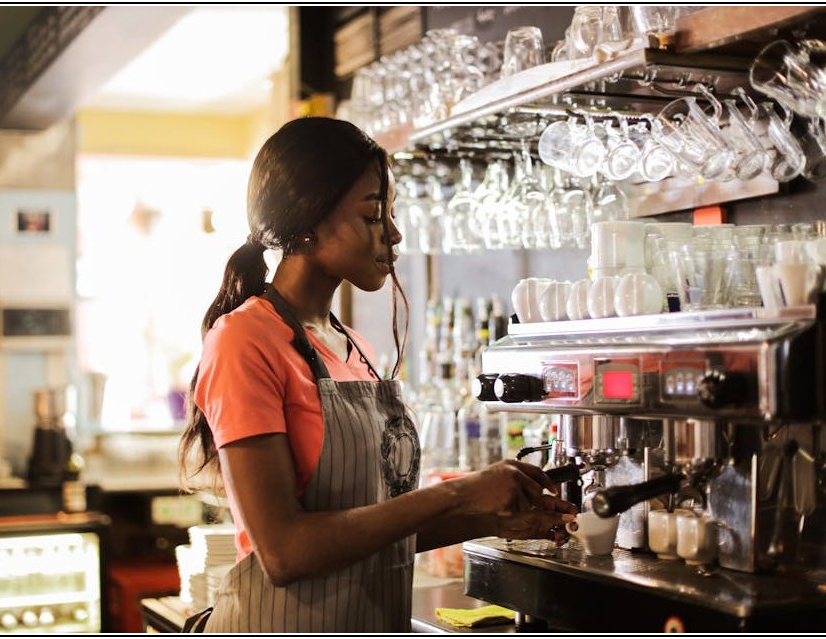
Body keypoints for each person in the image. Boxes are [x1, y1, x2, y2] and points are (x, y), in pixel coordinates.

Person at [178, 117, 577, 633]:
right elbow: (285, 552)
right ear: (308, 220)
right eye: (373, 215)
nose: (394, 233)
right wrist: (458, 493)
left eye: (390, 213)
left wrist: (497, 517)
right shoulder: (244, 340)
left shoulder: (355, 348)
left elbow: (376, 527)